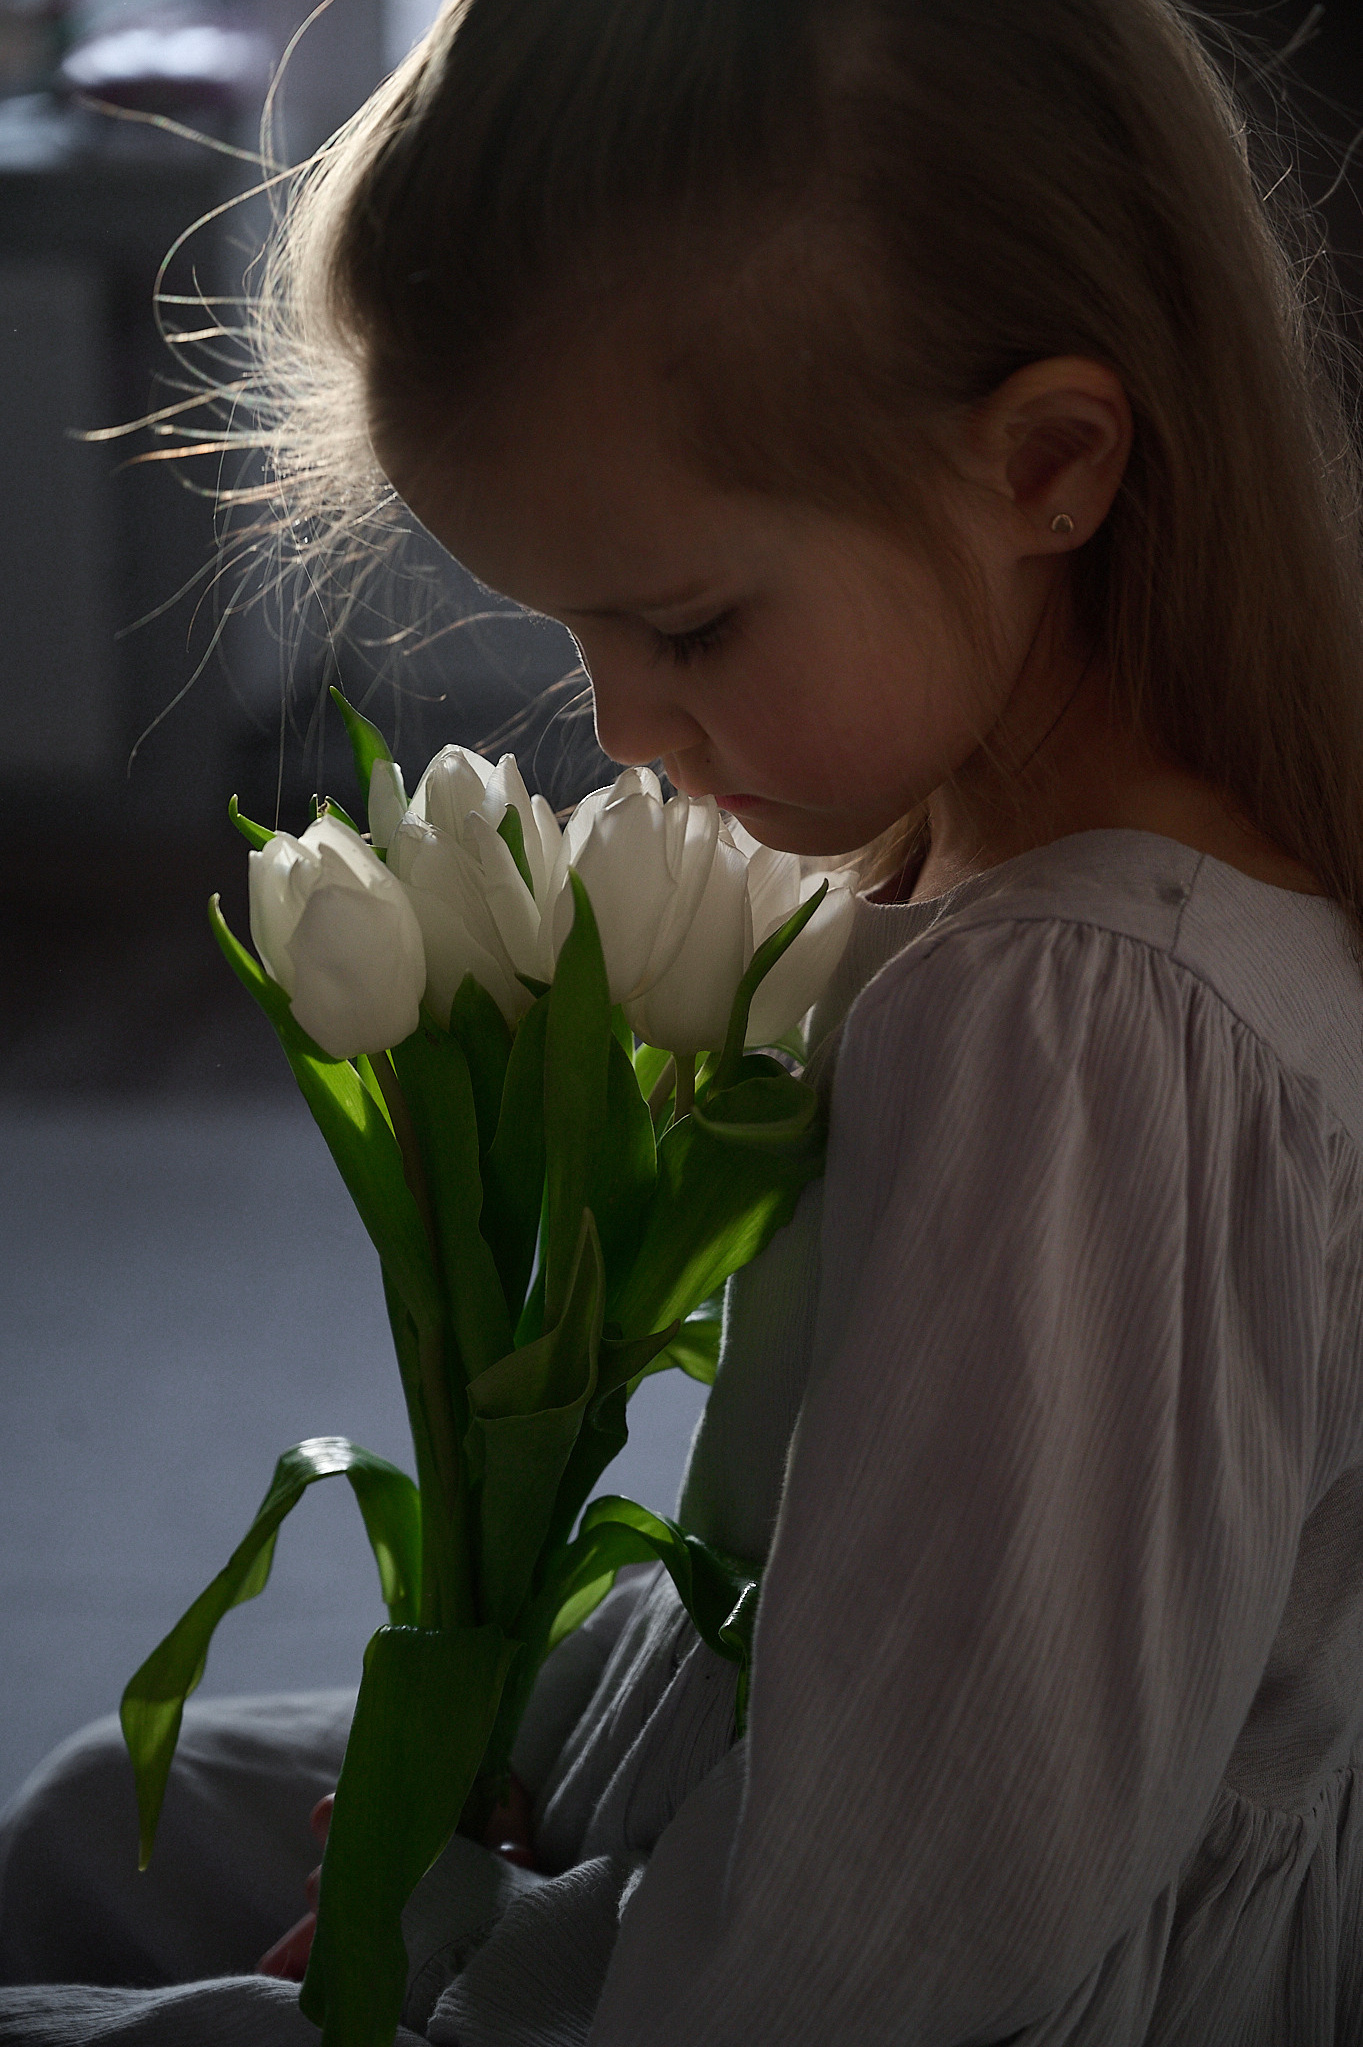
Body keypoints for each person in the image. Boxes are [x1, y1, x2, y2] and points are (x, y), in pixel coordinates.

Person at [4, 0, 1363, 2037]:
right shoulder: (1007, 859)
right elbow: (857, 1575)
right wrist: (508, 1765)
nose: (625, 733)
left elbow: (903, 1916)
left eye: (688, 624)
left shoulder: (1077, 1034)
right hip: (776, 1793)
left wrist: (473, 1969)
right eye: (571, 629)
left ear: (1050, 466)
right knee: (99, 1806)